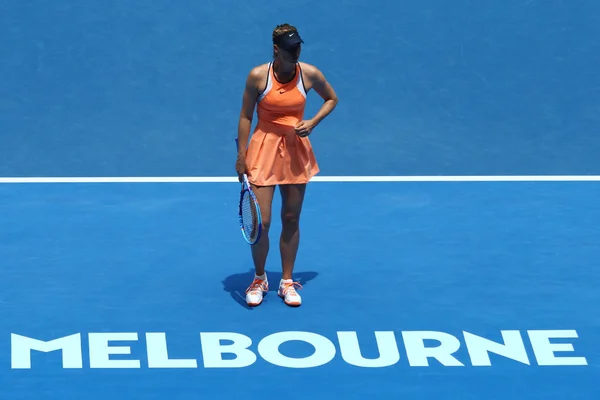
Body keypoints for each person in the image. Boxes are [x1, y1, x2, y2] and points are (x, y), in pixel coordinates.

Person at [235, 23, 338, 307]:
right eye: (291, 48)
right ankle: (259, 278)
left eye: (298, 47)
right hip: (263, 149)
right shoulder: (258, 76)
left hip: (295, 151)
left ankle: (287, 281)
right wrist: (241, 156)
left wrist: (313, 122)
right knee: (262, 222)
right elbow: (245, 117)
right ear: (276, 49)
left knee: (291, 218)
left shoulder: (309, 74)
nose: (296, 52)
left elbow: (332, 98)